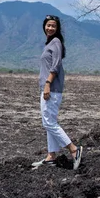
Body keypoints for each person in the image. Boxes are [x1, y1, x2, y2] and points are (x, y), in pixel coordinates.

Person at [32, 14, 82, 170]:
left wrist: (47, 84)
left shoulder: (56, 42)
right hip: (49, 88)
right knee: (49, 122)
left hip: (52, 89)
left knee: (49, 122)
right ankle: (51, 156)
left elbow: (55, 66)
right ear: (44, 26)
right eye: (48, 25)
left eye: (53, 26)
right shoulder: (50, 43)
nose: (50, 28)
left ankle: (74, 150)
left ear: (57, 28)